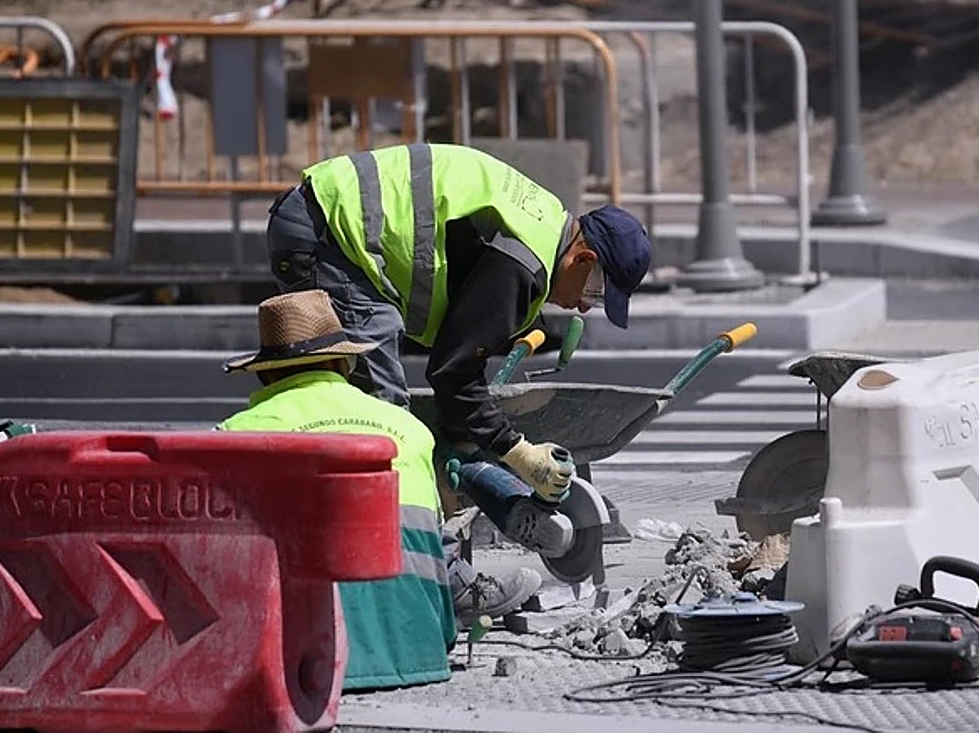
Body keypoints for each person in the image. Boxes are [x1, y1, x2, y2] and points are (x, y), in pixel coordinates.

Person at [266, 143, 652, 538]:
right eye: (595, 293)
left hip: (329, 218)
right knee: (385, 418)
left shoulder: (545, 224)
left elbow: (461, 345)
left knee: (382, 410)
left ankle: (363, 523)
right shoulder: (522, 262)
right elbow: (453, 371)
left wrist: (463, 433)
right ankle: (405, 551)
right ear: (583, 259)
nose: (584, 307)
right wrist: (517, 451)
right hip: (329, 231)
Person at [216, 290, 543, 688]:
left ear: (265, 374)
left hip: (300, 667)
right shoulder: (410, 429)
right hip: (419, 652)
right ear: (344, 363)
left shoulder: (235, 435)